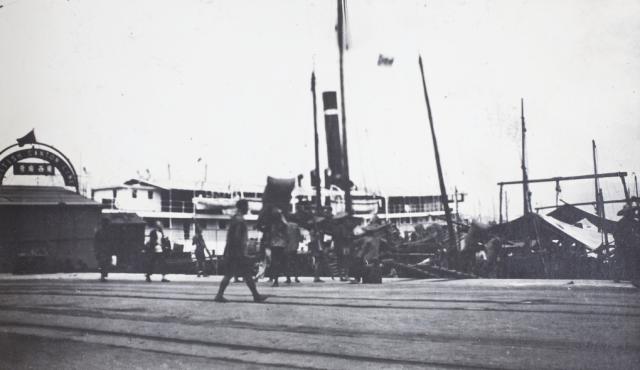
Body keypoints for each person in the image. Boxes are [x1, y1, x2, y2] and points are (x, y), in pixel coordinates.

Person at [214, 200, 267, 303]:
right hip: (236, 252)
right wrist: (240, 253)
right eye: (246, 206)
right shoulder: (239, 220)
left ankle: (220, 295)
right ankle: (256, 296)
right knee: (244, 274)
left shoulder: (235, 218)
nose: (248, 208)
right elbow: (237, 237)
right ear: (242, 207)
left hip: (232, 251)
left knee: (233, 274)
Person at [613, 201, 640, 287]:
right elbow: (616, 235)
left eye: (632, 212)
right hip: (623, 246)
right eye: (629, 212)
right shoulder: (621, 223)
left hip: (633, 246)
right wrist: (622, 242)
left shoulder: (635, 223)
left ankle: (634, 277)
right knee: (623, 261)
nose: (632, 214)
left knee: (634, 261)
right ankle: (618, 276)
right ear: (626, 213)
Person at [94, 218, 112, 282]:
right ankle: (103, 276)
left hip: (105, 250)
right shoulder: (99, 232)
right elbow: (96, 242)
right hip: (102, 250)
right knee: (103, 263)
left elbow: (111, 241)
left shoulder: (108, 231)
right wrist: (96, 250)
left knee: (105, 263)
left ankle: (103, 276)